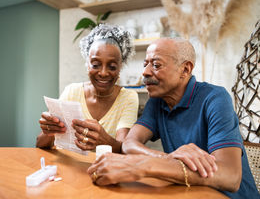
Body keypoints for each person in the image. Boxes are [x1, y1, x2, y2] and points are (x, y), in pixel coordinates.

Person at [87, 38, 259, 198]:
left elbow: (230, 177)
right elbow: (129, 143)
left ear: (185, 69)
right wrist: (167, 158)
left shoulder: (215, 98)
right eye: (145, 64)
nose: (145, 72)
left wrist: (144, 165)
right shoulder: (157, 101)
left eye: (156, 65)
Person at [36, 24, 139, 153]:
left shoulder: (128, 97)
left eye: (112, 67)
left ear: (120, 68)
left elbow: (124, 149)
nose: (103, 73)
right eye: (96, 65)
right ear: (87, 65)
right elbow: (40, 144)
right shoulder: (72, 91)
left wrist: (104, 140)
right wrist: (49, 131)